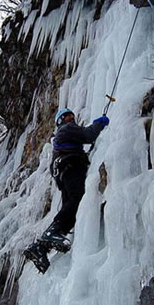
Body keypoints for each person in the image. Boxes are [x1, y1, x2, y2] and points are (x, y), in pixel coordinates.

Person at [24, 108, 109, 273]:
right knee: (77, 200)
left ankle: (40, 247)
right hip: (71, 167)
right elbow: (88, 135)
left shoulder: (62, 138)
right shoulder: (67, 129)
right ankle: (51, 233)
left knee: (71, 212)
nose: (71, 118)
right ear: (60, 121)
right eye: (67, 116)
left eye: (72, 116)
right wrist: (99, 123)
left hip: (65, 172)